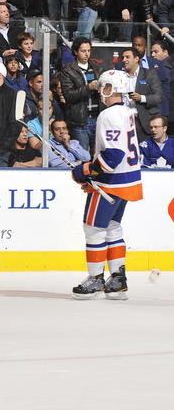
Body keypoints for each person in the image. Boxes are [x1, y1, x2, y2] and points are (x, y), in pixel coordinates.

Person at [70, 70, 143, 300]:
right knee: (112, 227)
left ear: (110, 88)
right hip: (128, 179)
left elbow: (112, 155)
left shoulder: (108, 115)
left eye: (104, 86)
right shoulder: (128, 111)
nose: (100, 90)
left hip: (110, 183)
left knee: (93, 229)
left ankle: (95, 279)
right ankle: (118, 279)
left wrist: (86, 171)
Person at [60, 36, 102, 153]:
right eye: (83, 51)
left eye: (89, 50)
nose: (87, 54)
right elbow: (69, 95)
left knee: (98, 154)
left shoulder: (97, 68)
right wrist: (88, 88)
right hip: (80, 120)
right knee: (83, 154)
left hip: (97, 118)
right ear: (75, 52)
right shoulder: (68, 70)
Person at [121, 46, 162, 143]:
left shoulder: (149, 74)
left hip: (143, 122)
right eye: (122, 58)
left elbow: (158, 97)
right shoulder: (119, 76)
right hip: (124, 122)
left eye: (127, 57)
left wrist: (141, 98)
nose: (124, 60)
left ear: (136, 59)